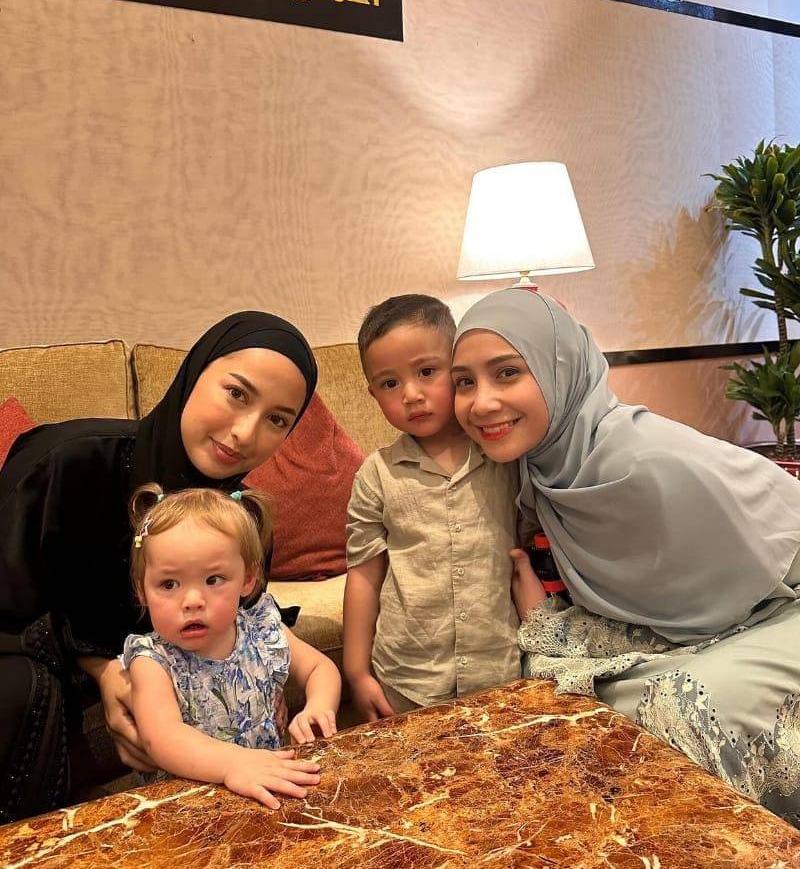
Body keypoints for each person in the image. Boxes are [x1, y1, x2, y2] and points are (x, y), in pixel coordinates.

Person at [452, 288, 800, 825]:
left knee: (681, 709)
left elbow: (729, 601)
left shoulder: (641, 464)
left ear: (560, 371)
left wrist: (557, 628)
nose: (481, 403)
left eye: (507, 373)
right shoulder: (545, 465)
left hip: (779, 606)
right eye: (464, 382)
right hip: (716, 620)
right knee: (572, 693)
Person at [0, 311, 321, 823]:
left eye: (277, 420)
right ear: (194, 374)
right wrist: (105, 671)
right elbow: (14, 613)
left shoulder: (241, 515)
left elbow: (247, 619)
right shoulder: (66, 462)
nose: (244, 433)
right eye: (236, 393)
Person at [343, 294, 523, 722]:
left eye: (426, 372)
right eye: (390, 384)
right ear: (373, 394)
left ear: (458, 370)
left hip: (499, 670)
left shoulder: (504, 457)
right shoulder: (377, 474)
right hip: (407, 677)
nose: (411, 394)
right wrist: (356, 671)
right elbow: (364, 574)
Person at [123, 483, 340, 809]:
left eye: (213, 580)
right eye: (169, 584)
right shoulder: (153, 661)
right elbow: (162, 738)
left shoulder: (262, 629)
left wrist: (318, 707)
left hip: (271, 789)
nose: (192, 601)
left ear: (247, 579)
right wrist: (233, 764)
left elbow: (319, 668)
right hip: (194, 808)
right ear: (142, 590)